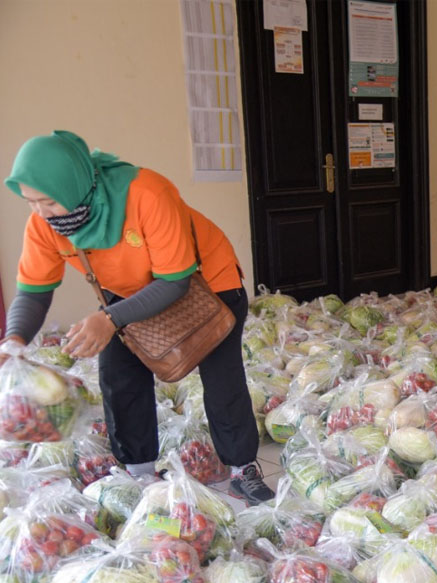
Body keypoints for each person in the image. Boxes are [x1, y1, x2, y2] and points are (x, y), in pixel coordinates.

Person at [2, 130, 273, 505]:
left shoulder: (146, 193)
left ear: (75, 184)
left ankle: (244, 469)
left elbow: (175, 282)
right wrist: (15, 338)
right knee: (118, 375)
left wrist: (109, 319)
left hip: (206, 284)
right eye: (31, 202)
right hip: (132, 293)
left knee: (221, 377)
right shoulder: (44, 226)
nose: (40, 212)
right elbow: (34, 290)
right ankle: (140, 472)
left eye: (48, 201)